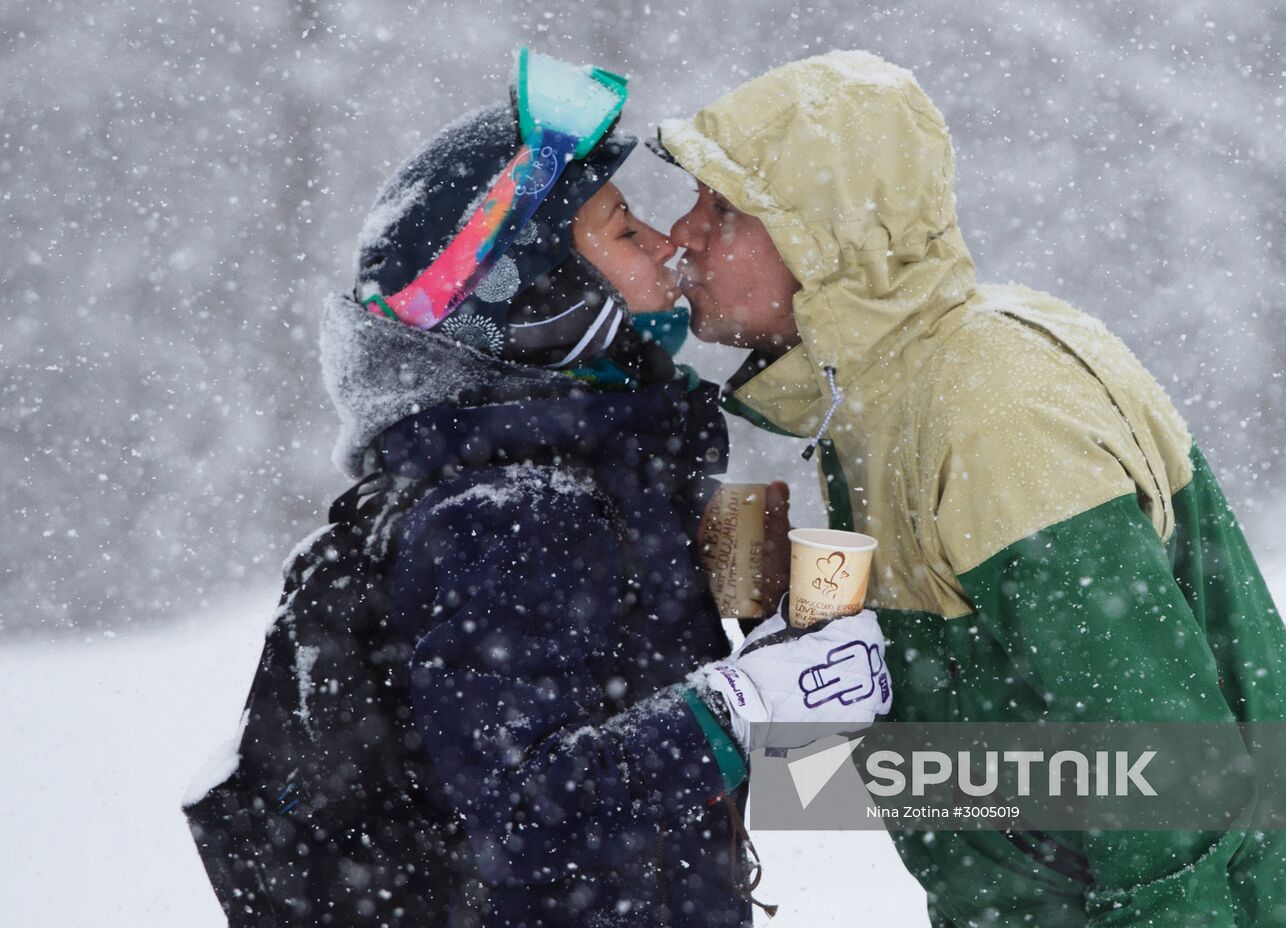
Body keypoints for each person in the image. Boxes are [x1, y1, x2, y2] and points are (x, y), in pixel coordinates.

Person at [649, 49, 1286, 926]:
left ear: (829, 233)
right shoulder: (879, 401)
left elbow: (1163, 781)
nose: (683, 234)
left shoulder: (991, 413)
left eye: (725, 207)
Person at [322, 51, 892, 927]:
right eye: (625, 233)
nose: (668, 243)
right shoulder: (515, 515)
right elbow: (520, 816)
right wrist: (748, 705)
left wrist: (761, 630)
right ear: (541, 296)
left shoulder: (586, 478)